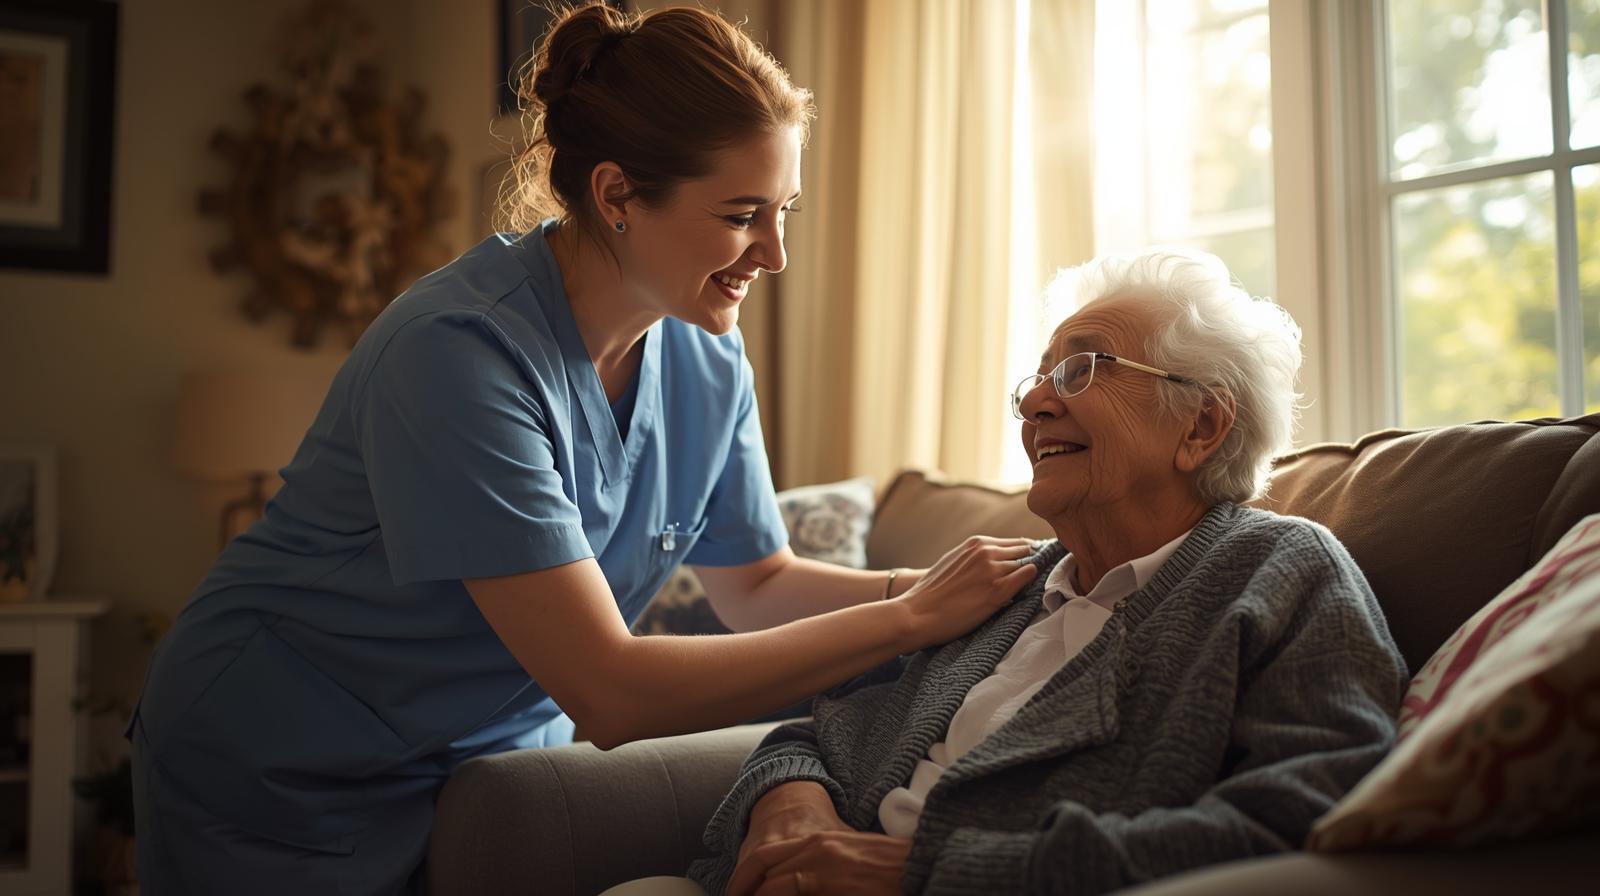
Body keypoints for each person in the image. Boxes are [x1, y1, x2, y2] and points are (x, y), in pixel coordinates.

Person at [126, 5, 1037, 893]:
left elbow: (756, 584)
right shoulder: (457, 354)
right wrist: (908, 621)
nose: (775, 253)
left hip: (482, 761)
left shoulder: (707, 356)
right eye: (741, 214)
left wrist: (935, 591)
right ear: (616, 196)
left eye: (784, 208)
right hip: (281, 758)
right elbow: (609, 690)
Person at [678, 248, 1409, 896]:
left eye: (1081, 370)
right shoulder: (1010, 586)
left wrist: (916, 874)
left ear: (1202, 427)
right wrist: (790, 804)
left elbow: (1298, 816)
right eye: (1036, 379)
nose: (1033, 402)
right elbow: (821, 729)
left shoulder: (1279, 571)